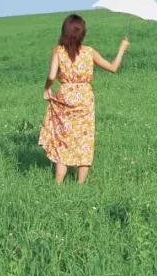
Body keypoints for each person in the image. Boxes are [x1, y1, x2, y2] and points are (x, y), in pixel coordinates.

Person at [39, 14, 129, 184]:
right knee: (84, 140)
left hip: (64, 98)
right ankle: (80, 187)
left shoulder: (58, 51)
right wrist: (122, 48)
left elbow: (52, 75)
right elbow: (113, 67)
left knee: (63, 141)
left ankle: (57, 184)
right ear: (82, 33)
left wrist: (46, 89)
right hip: (85, 100)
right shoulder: (89, 52)